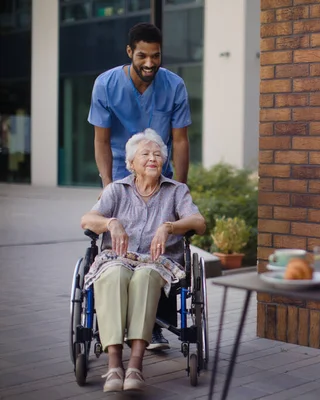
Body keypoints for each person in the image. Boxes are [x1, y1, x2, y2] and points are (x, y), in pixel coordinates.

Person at [88, 22, 192, 350]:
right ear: (130, 52)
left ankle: (156, 326)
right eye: (143, 55)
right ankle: (113, 321)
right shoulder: (106, 85)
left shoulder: (174, 86)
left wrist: (180, 189)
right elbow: (101, 139)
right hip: (121, 171)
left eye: (156, 56)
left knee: (159, 245)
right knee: (122, 243)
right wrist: (107, 185)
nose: (150, 63)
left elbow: (180, 140)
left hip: (159, 173)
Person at [81, 129, 205, 392]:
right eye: (145, 154)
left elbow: (199, 222)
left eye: (158, 154)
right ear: (131, 163)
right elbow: (87, 220)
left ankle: (135, 365)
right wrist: (110, 222)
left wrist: (169, 226)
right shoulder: (116, 190)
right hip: (118, 259)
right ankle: (115, 366)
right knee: (114, 274)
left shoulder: (176, 191)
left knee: (145, 276)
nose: (153, 158)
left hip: (158, 262)